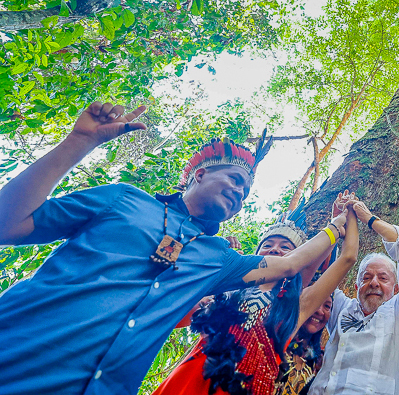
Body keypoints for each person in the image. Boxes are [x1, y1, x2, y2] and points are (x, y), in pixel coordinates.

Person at [0, 102, 339, 395]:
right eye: (236, 180)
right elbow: (8, 223)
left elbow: (291, 265)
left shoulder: (217, 258)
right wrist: (80, 142)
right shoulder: (123, 199)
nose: (240, 194)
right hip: (17, 358)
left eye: (247, 193)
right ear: (199, 174)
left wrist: (337, 227)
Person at [153, 192, 360, 395]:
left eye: (285, 247)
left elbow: (348, 257)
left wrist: (345, 217)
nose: (275, 250)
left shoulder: (298, 307)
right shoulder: (229, 291)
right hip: (191, 379)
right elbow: (176, 314)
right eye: (267, 245)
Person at [308, 199, 399, 395]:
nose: (374, 283)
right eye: (367, 277)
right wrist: (336, 222)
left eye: (383, 278)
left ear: (396, 289)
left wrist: (369, 219)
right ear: (356, 287)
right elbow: (320, 275)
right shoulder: (341, 308)